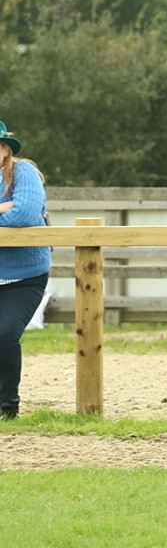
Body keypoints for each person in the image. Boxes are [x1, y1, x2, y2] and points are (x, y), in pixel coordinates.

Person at [0, 121, 51, 420]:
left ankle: (9, 405)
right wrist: (5, 206)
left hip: (25, 274)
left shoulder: (24, 172)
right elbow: (14, 210)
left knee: (5, 334)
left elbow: (26, 213)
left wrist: (7, 209)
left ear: (5, 150)